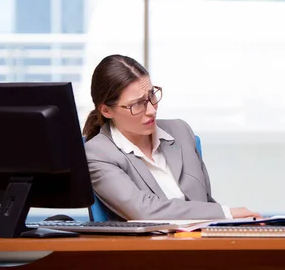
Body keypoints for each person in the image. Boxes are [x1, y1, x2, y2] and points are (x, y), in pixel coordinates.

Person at [83, 54, 259, 220]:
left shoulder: (180, 131)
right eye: (137, 104)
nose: (152, 110)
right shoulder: (97, 153)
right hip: (150, 249)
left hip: (201, 242)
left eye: (152, 95)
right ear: (106, 110)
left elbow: (205, 204)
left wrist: (237, 224)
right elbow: (144, 211)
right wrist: (227, 213)